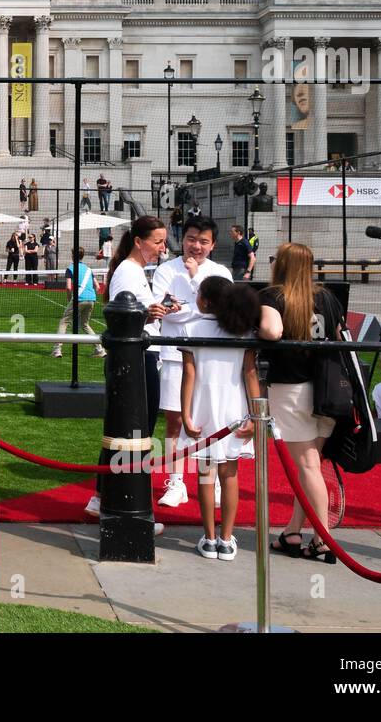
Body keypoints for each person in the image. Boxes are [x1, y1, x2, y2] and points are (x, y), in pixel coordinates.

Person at [258, 241, 345, 564]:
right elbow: (337, 333)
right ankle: (293, 530)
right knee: (310, 465)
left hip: (291, 388)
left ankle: (323, 539)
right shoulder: (327, 297)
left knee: (308, 466)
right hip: (329, 389)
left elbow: (271, 330)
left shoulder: (273, 296)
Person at [90, 214, 172, 532]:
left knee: (127, 432)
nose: (162, 247)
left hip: (139, 358)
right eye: (157, 241)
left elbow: (134, 316)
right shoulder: (128, 271)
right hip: (137, 360)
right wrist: (149, 313)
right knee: (135, 434)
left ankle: (104, 497)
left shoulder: (132, 270)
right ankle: (125, 505)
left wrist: (154, 311)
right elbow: (123, 318)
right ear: (139, 242)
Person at [152, 217, 233, 509]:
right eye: (191, 238)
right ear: (182, 238)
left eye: (203, 241)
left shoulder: (220, 272)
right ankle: (176, 482)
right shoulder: (165, 270)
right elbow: (164, 312)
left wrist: (195, 280)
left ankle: (214, 482)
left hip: (213, 358)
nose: (195, 246)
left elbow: (224, 310)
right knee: (174, 421)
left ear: (212, 245)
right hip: (174, 355)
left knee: (212, 421)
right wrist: (195, 311)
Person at [178, 278, 261, 560]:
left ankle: (211, 538)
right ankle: (225, 539)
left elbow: (189, 374)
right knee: (229, 474)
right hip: (234, 410)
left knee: (207, 474)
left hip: (203, 409)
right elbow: (251, 374)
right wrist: (254, 416)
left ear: (206, 300)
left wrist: (186, 415)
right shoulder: (244, 332)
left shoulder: (191, 328)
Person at [52, 247, 103, 358]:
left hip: (79, 299)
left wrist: (70, 298)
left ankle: (57, 350)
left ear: (72, 256)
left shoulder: (70, 268)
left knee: (64, 322)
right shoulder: (89, 269)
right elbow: (97, 286)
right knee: (84, 324)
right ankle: (99, 349)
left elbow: (68, 287)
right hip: (92, 299)